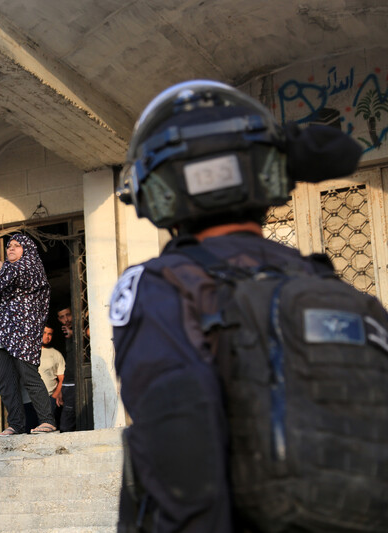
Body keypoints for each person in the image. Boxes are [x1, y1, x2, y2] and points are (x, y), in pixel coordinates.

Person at [110, 80, 369, 532]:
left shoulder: (156, 288)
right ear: (268, 176)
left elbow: (183, 466)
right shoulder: (336, 292)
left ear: (158, 193)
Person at [0, 234, 56, 435]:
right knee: (4, 380)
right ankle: (15, 424)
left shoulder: (32, 267)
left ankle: (47, 421)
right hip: (1, 330)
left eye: (17, 246)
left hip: (22, 332)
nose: (11, 248)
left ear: (27, 250)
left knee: (28, 375)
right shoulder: (6, 272)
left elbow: (18, 274)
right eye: (9, 246)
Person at [56, 303, 77, 432]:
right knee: (65, 426)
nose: (66, 319)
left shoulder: (82, 328)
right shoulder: (63, 335)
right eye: (62, 317)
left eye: (68, 315)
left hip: (80, 382)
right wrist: (61, 390)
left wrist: (74, 333)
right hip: (68, 385)